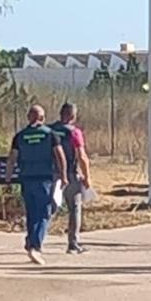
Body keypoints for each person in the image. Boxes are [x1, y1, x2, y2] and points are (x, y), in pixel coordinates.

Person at [4, 105, 67, 265]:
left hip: (26, 179)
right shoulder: (50, 134)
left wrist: (8, 178)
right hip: (44, 179)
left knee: (32, 213)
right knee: (44, 214)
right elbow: (60, 156)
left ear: (28, 117)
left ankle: (30, 240)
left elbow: (12, 158)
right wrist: (64, 176)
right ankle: (35, 246)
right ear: (43, 118)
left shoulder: (19, 136)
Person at [50, 102, 92, 254]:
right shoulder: (74, 132)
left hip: (51, 174)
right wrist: (87, 177)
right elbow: (81, 156)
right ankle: (73, 244)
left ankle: (35, 240)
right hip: (70, 174)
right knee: (74, 208)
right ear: (73, 116)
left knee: (49, 208)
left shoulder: (50, 130)